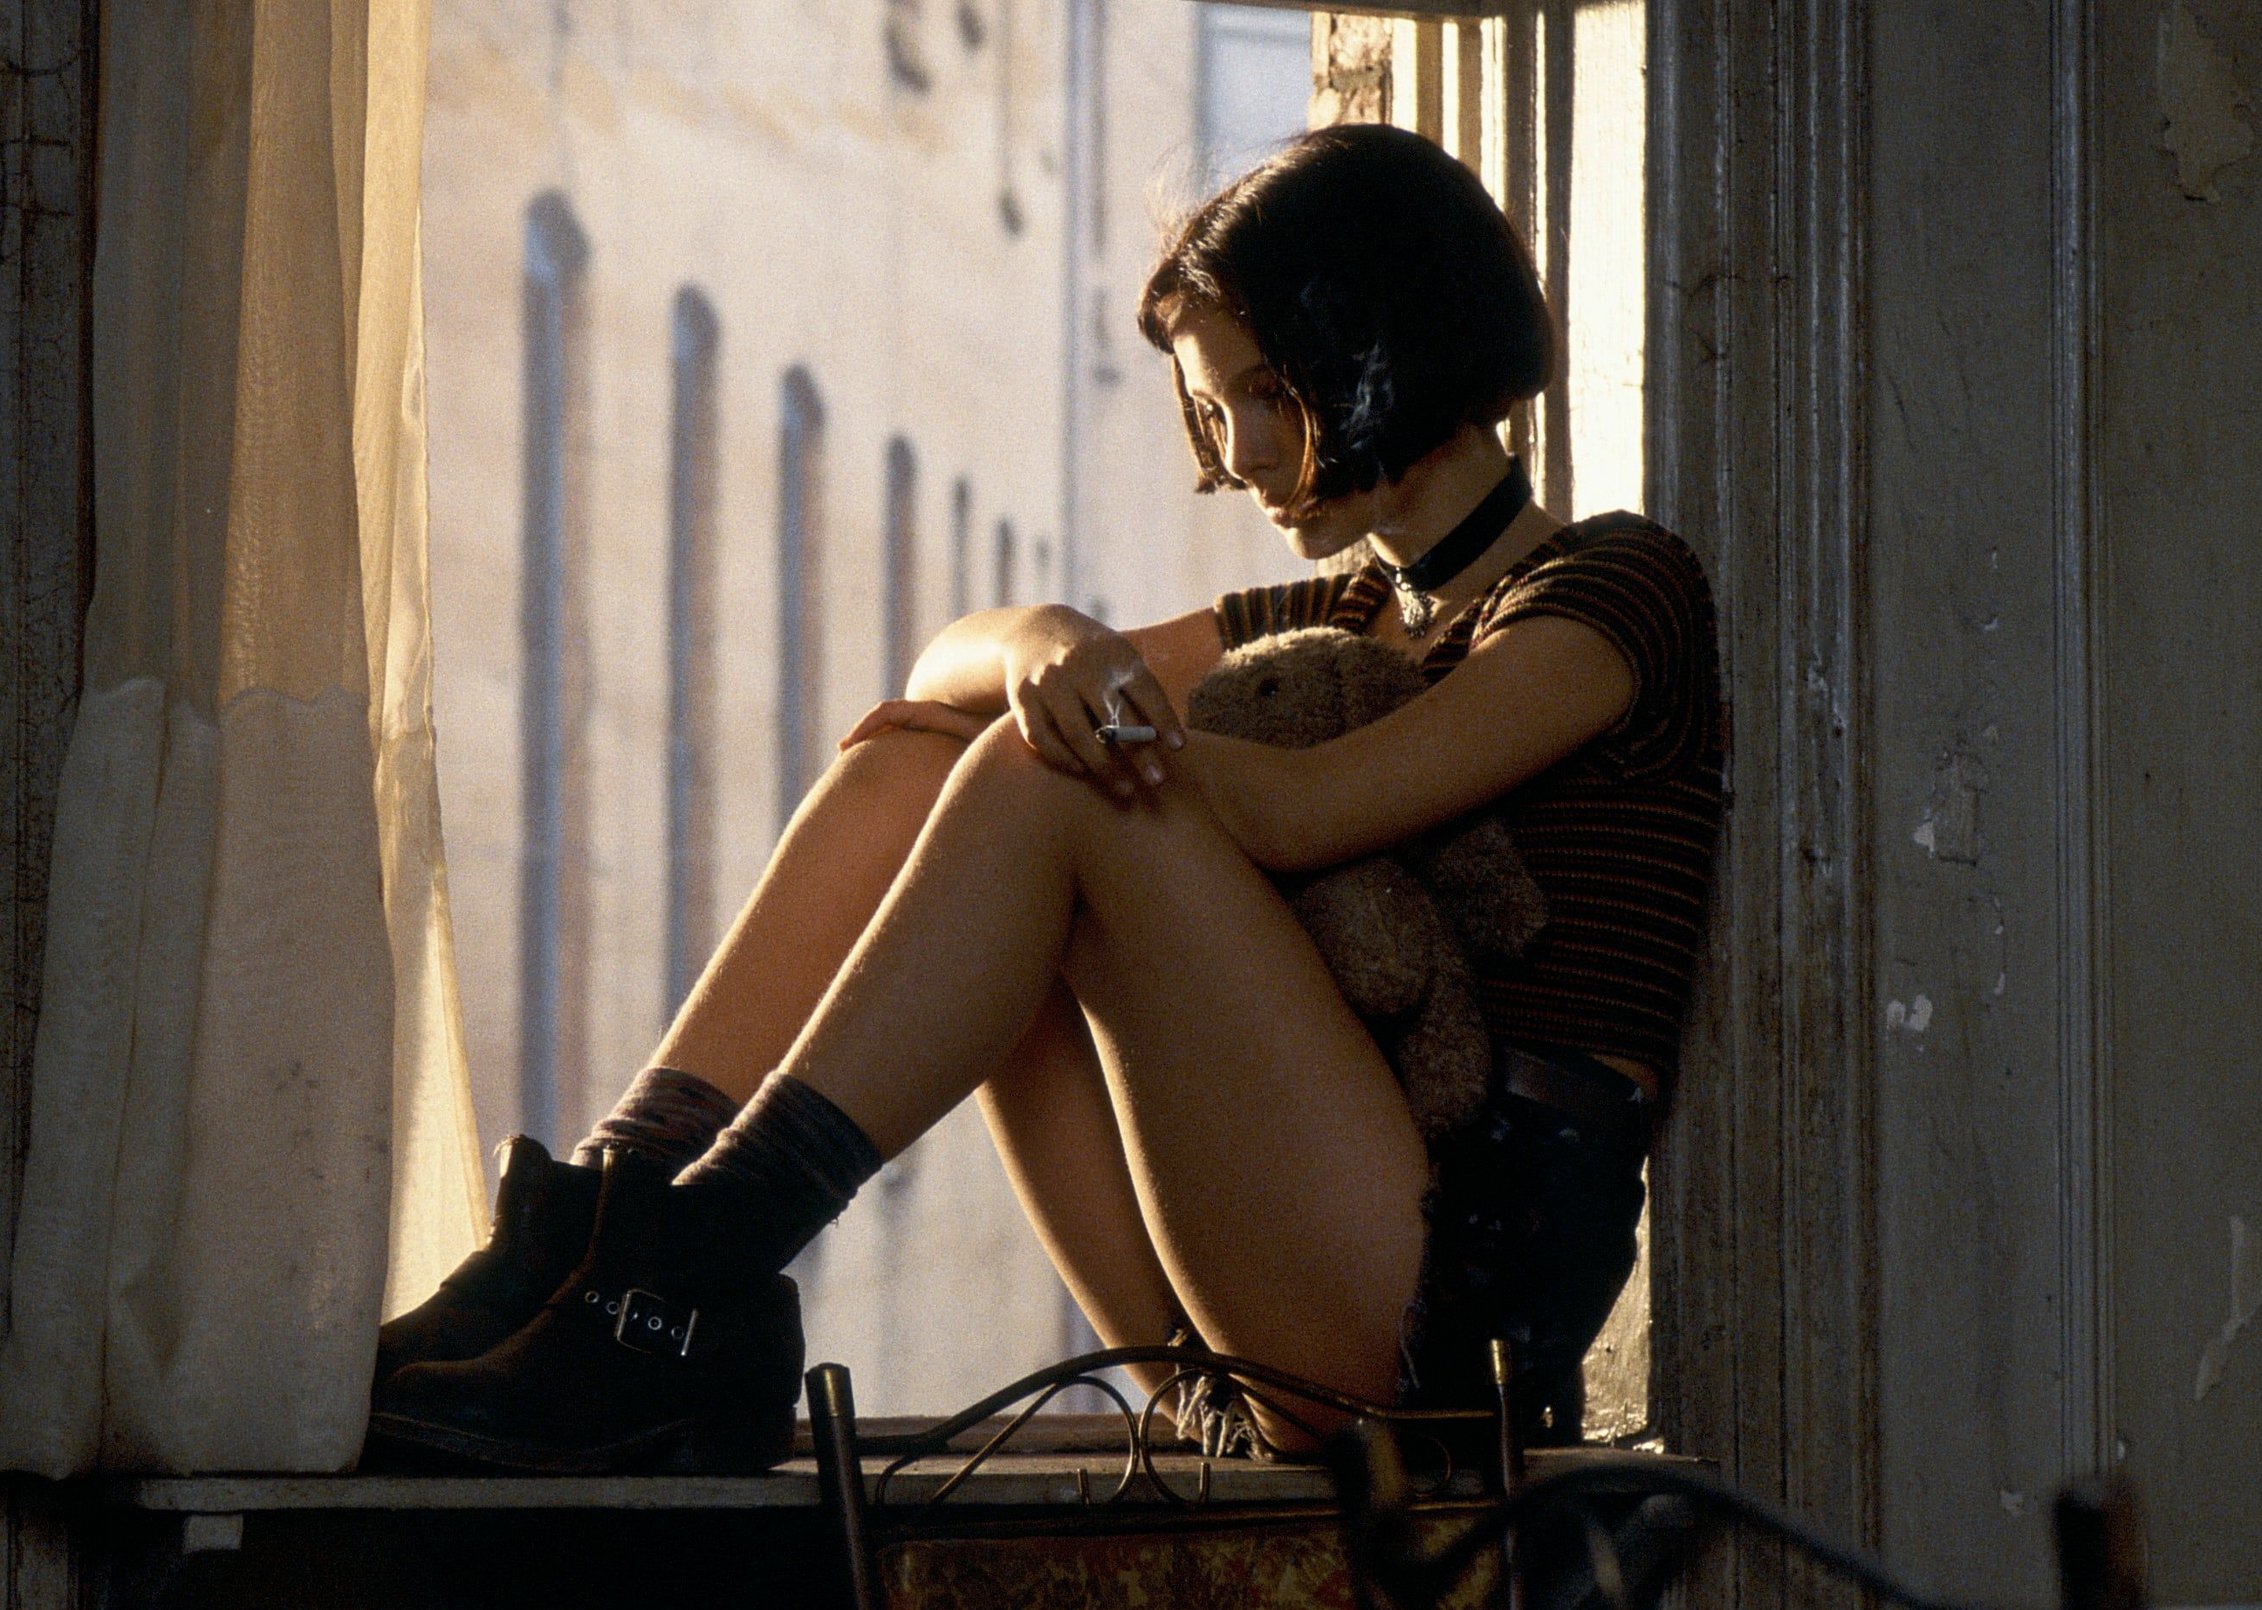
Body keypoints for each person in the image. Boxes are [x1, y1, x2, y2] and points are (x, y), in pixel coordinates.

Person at [367, 122, 1725, 1474]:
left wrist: (1067, 720)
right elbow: (933, 692)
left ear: (1394, 343)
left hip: (1451, 1323)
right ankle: (593, 1228)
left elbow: (1307, 809)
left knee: (1046, 781)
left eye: (1270, 393)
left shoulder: (1615, 589)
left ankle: (678, 1277)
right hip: (1263, 1300)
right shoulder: (1346, 611)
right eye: (1213, 411)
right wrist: (1047, 644)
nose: (1242, 451)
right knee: (927, 765)